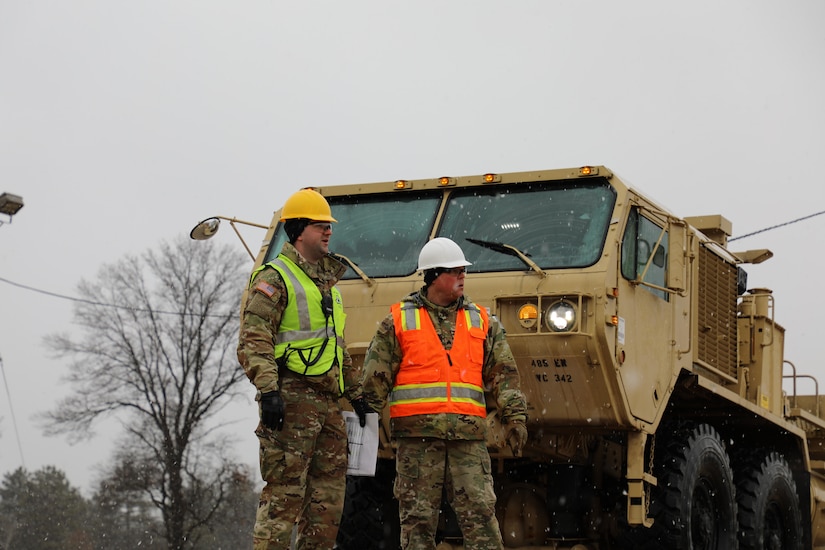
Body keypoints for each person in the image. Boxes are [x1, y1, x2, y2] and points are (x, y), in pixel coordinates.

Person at [357, 237, 528, 550]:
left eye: (464, 270)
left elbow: (504, 374)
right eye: (456, 271)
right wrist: (363, 425)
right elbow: (374, 379)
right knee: (417, 524)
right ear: (434, 275)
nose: (463, 276)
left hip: (468, 442)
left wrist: (516, 417)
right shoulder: (398, 321)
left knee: (481, 520)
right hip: (417, 443)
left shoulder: (483, 321)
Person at [237, 188, 368, 550]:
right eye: (319, 225)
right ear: (297, 230)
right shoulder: (274, 277)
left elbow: (335, 348)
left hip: (327, 406)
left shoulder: (329, 286)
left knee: (327, 506)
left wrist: (355, 396)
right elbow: (254, 340)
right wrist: (269, 391)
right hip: (291, 399)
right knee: (284, 498)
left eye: (329, 225)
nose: (328, 231)